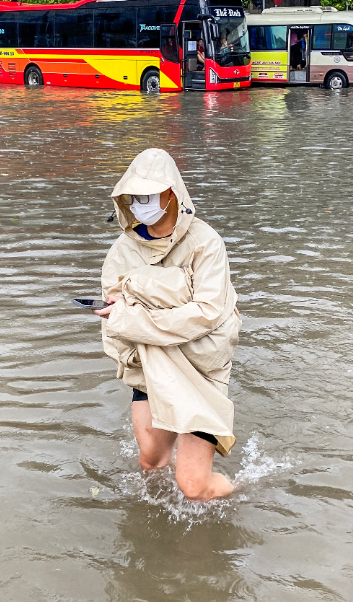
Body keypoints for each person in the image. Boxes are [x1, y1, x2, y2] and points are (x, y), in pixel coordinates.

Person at [96, 148, 241, 502]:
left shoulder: (206, 243)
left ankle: (240, 494)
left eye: (150, 195)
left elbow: (207, 312)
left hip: (198, 369)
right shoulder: (122, 250)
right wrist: (123, 322)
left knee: (192, 487)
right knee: (151, 461)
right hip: (150, 365)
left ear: (172, 193)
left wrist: (133, 316)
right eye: (135, 197)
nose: (141, 204)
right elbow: (116, 311)